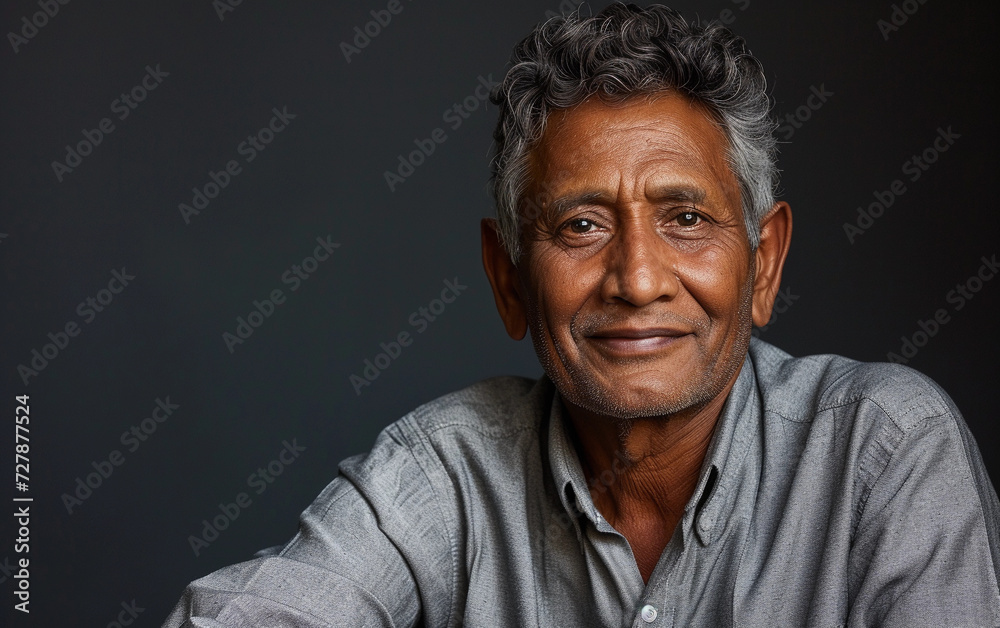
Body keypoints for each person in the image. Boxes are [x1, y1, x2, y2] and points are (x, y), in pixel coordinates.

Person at [164, 4, 1000, 626]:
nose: (637, 280)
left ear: (764, 263)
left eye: (687, 219)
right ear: (510, 280)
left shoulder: (885, 453)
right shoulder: (445, 474)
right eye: (581, 226)